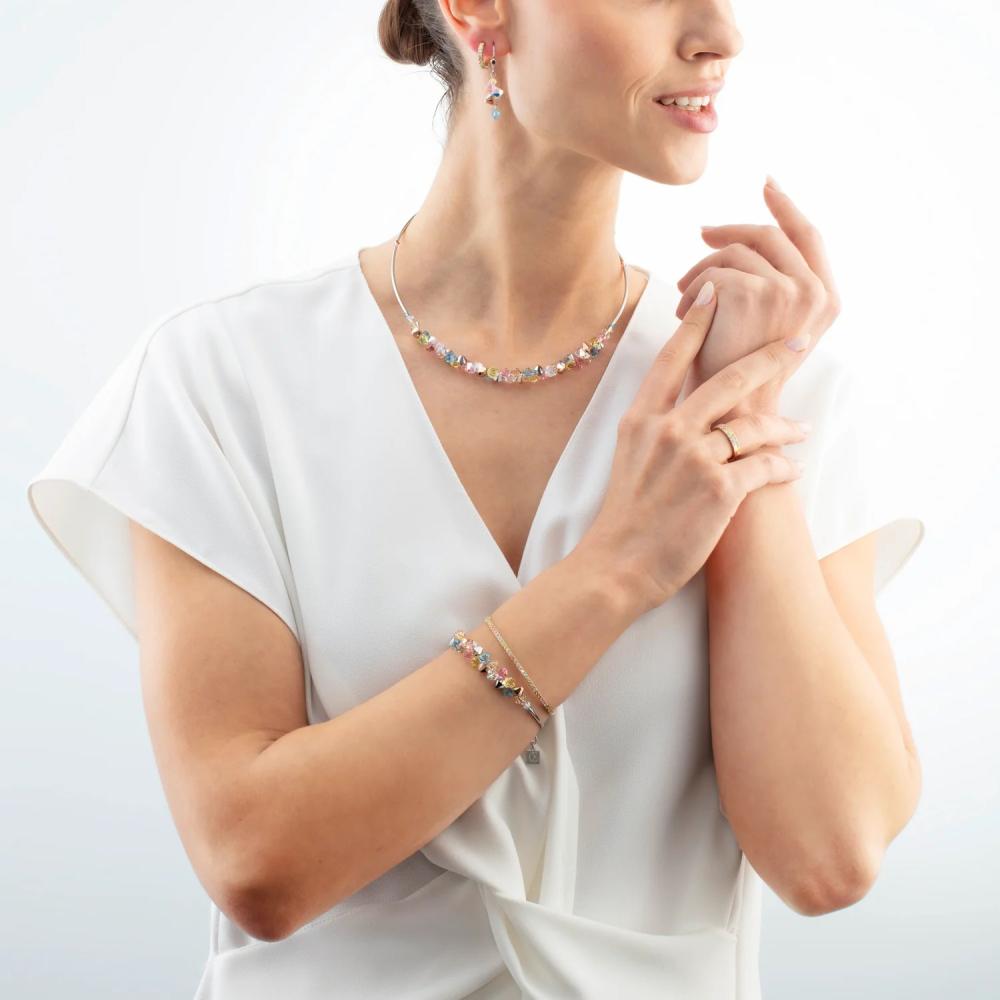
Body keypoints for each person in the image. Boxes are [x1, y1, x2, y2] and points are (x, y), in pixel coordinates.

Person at [25, 2, 926, 997]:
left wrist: (737, 417)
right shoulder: (229, 383)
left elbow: (829, 857)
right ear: (477, 11)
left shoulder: (774, 392)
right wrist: (616, 570)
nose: (720, 33)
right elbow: (256, 863)